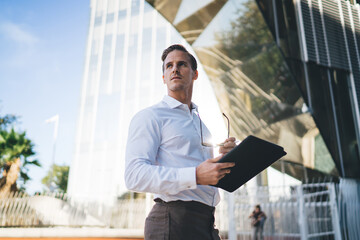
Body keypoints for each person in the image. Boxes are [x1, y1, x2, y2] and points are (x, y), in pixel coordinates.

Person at [125, 44, 237, 240]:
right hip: (172, 222)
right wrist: (195, 175)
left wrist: (225, 159)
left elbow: (205, 176)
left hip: (207, 222)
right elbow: (134, 175)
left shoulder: (201, 125)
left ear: (195, 74)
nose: (174, 69)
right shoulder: (151, 116)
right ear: (164, 78)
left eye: (182, 64)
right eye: (169, 66)